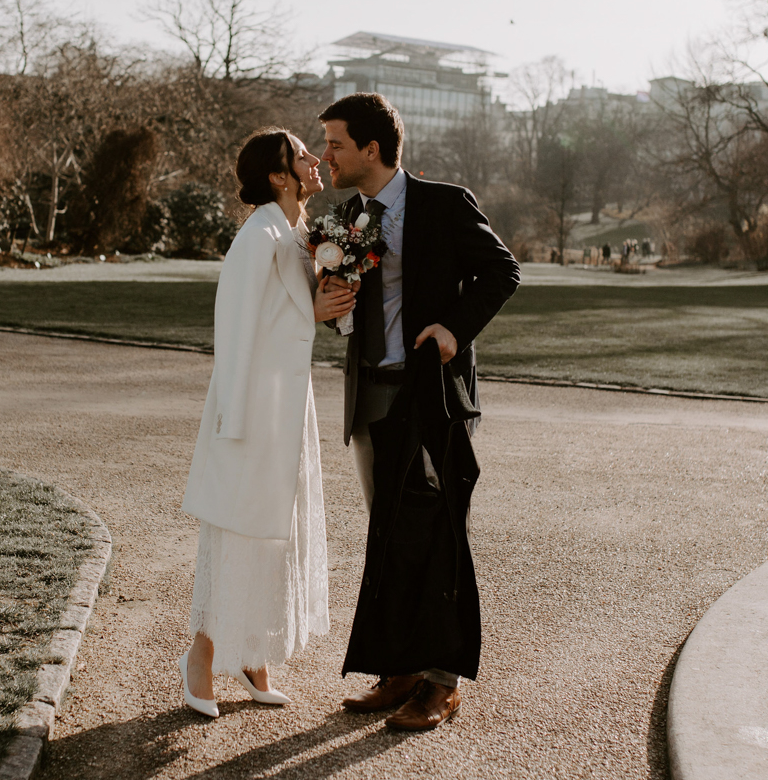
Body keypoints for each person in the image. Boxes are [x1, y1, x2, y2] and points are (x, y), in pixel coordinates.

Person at [318, 92, 521, 732]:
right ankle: (399, 670)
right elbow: (350, 308)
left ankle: (442, 682)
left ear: (371, 149)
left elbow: (502, 271)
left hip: (430, 395)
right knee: (390, 537)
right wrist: (334, 303)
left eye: (335, 144)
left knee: (438, 534)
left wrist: (455, 329)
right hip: (370, 393)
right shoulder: (348, 216)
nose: (326, 157)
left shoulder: (443, 204)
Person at [178, 128, 356, 718]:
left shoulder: (298, 233)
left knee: (278, 534)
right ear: (279, 176)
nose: (314, 160)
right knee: (241, 534)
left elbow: (294, 317)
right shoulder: (257, 237)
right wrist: (232, 422)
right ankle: (200, 659)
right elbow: (233, 328)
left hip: (287, 406)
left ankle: (253, 656)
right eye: (302, 154)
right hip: (252, 411)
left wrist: (324, 306)